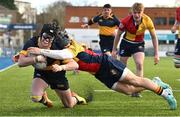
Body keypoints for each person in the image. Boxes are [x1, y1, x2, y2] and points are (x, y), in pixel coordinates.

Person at [27, 32, 177, 110]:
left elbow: (63, 55)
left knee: (135, 81)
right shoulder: (67, 46)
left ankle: (165, 94)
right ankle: (155, 83)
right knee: (129, 91)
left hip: (106, 64)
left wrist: (41, 51)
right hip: (99, 73)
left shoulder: (69, 49)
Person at [16, 22, 87, 108]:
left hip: (57, 74)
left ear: (53, 39)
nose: (47, 40)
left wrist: (61, 67)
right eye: (45, 36)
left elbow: (75, 65)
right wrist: (36, 59)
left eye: (50, 38)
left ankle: (76, 97)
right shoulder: (32, 43)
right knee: (35, 97)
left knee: (69, 105)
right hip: (41, 73)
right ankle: (45, 100)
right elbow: (20, 62)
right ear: (41, 34)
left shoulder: (57, 46)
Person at [112, 3, 159, 97]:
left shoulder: (147, 20)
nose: (137, 15)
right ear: (131, 12)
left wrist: (156, 54)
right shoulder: (125, 21)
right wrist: (114, 49)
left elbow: (154, 37)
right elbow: (118, 35)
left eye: (139, 12)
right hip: (126, 43)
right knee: (122, 66)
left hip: (139, 44)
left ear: (142, 12)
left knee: (139, 64)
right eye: (135, 13)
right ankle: (126, 86)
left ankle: (137, 90)